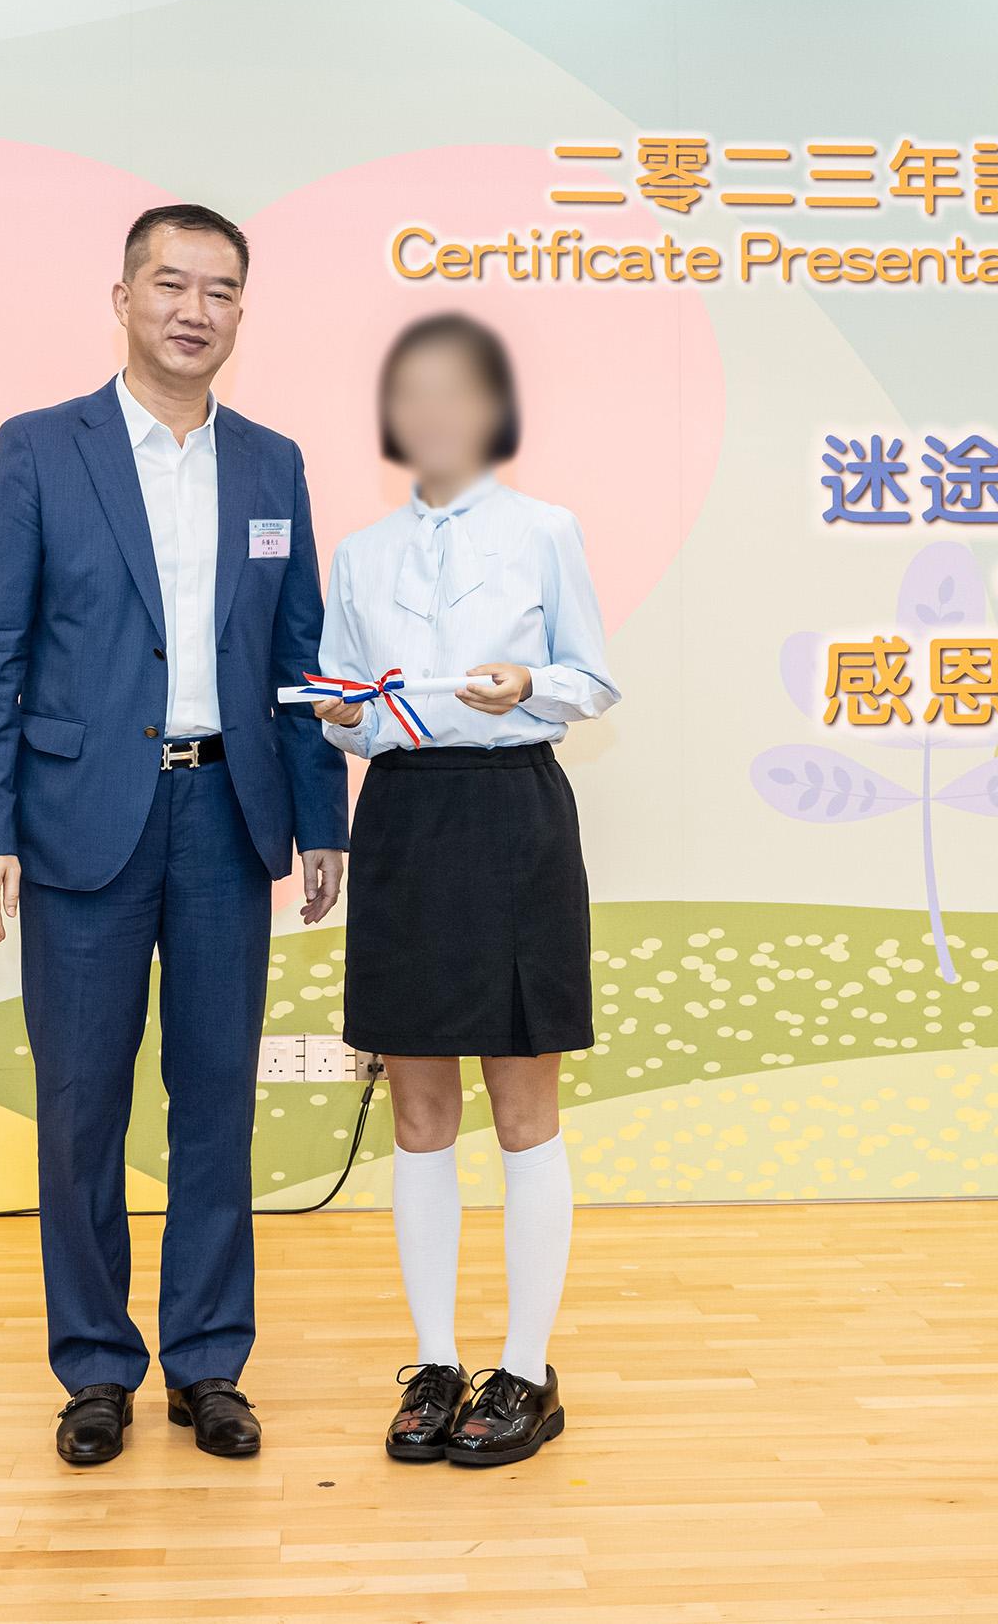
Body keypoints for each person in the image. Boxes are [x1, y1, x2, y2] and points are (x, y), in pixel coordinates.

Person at [0, 203, 350, 1467]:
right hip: (78, 820)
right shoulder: (36, 449)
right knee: (79, 1108)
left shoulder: (275, 462)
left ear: (243, 312)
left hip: (228, 816)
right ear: (120, 296)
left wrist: (319, 814)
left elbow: (299, 657)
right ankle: (94, 1367)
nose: (194, 309)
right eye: (170, 284)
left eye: (219, 290)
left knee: (217, 1102)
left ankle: (207, 1361)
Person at [311, 313, 619, 1468]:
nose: (435, 412)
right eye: (415, 393)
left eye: (459, 392)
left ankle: (527, 1371)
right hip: (401, 821)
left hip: (511, 813)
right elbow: (342, 693)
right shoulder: (359, 552)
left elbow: (592, 677)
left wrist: (530, 681)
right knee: (422, 1108)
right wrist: (340, 710)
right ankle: (436, 1362)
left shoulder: (547, 530)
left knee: (523, 1105)